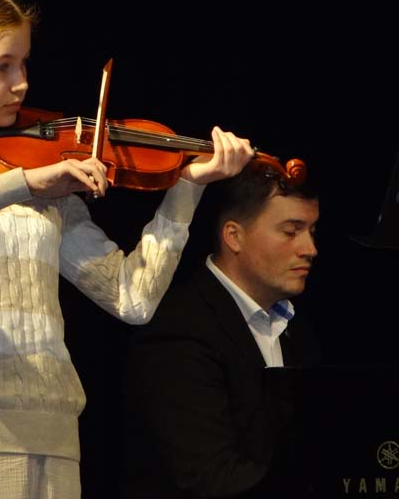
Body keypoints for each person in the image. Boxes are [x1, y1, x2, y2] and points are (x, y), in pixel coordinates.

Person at [0, 0, 254, 498]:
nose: (21, 83)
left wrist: (186, 188)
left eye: (24, 63)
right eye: (1, 66)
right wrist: (20, 186)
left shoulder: (38, 174)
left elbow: (132, 298)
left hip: (57, 451)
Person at [122, 162, 322, 498]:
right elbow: (206, 476)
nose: (310, 249)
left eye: (312, 231)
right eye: (291, 231)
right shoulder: (179, 329)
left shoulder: (298, 332)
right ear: (234, 236)